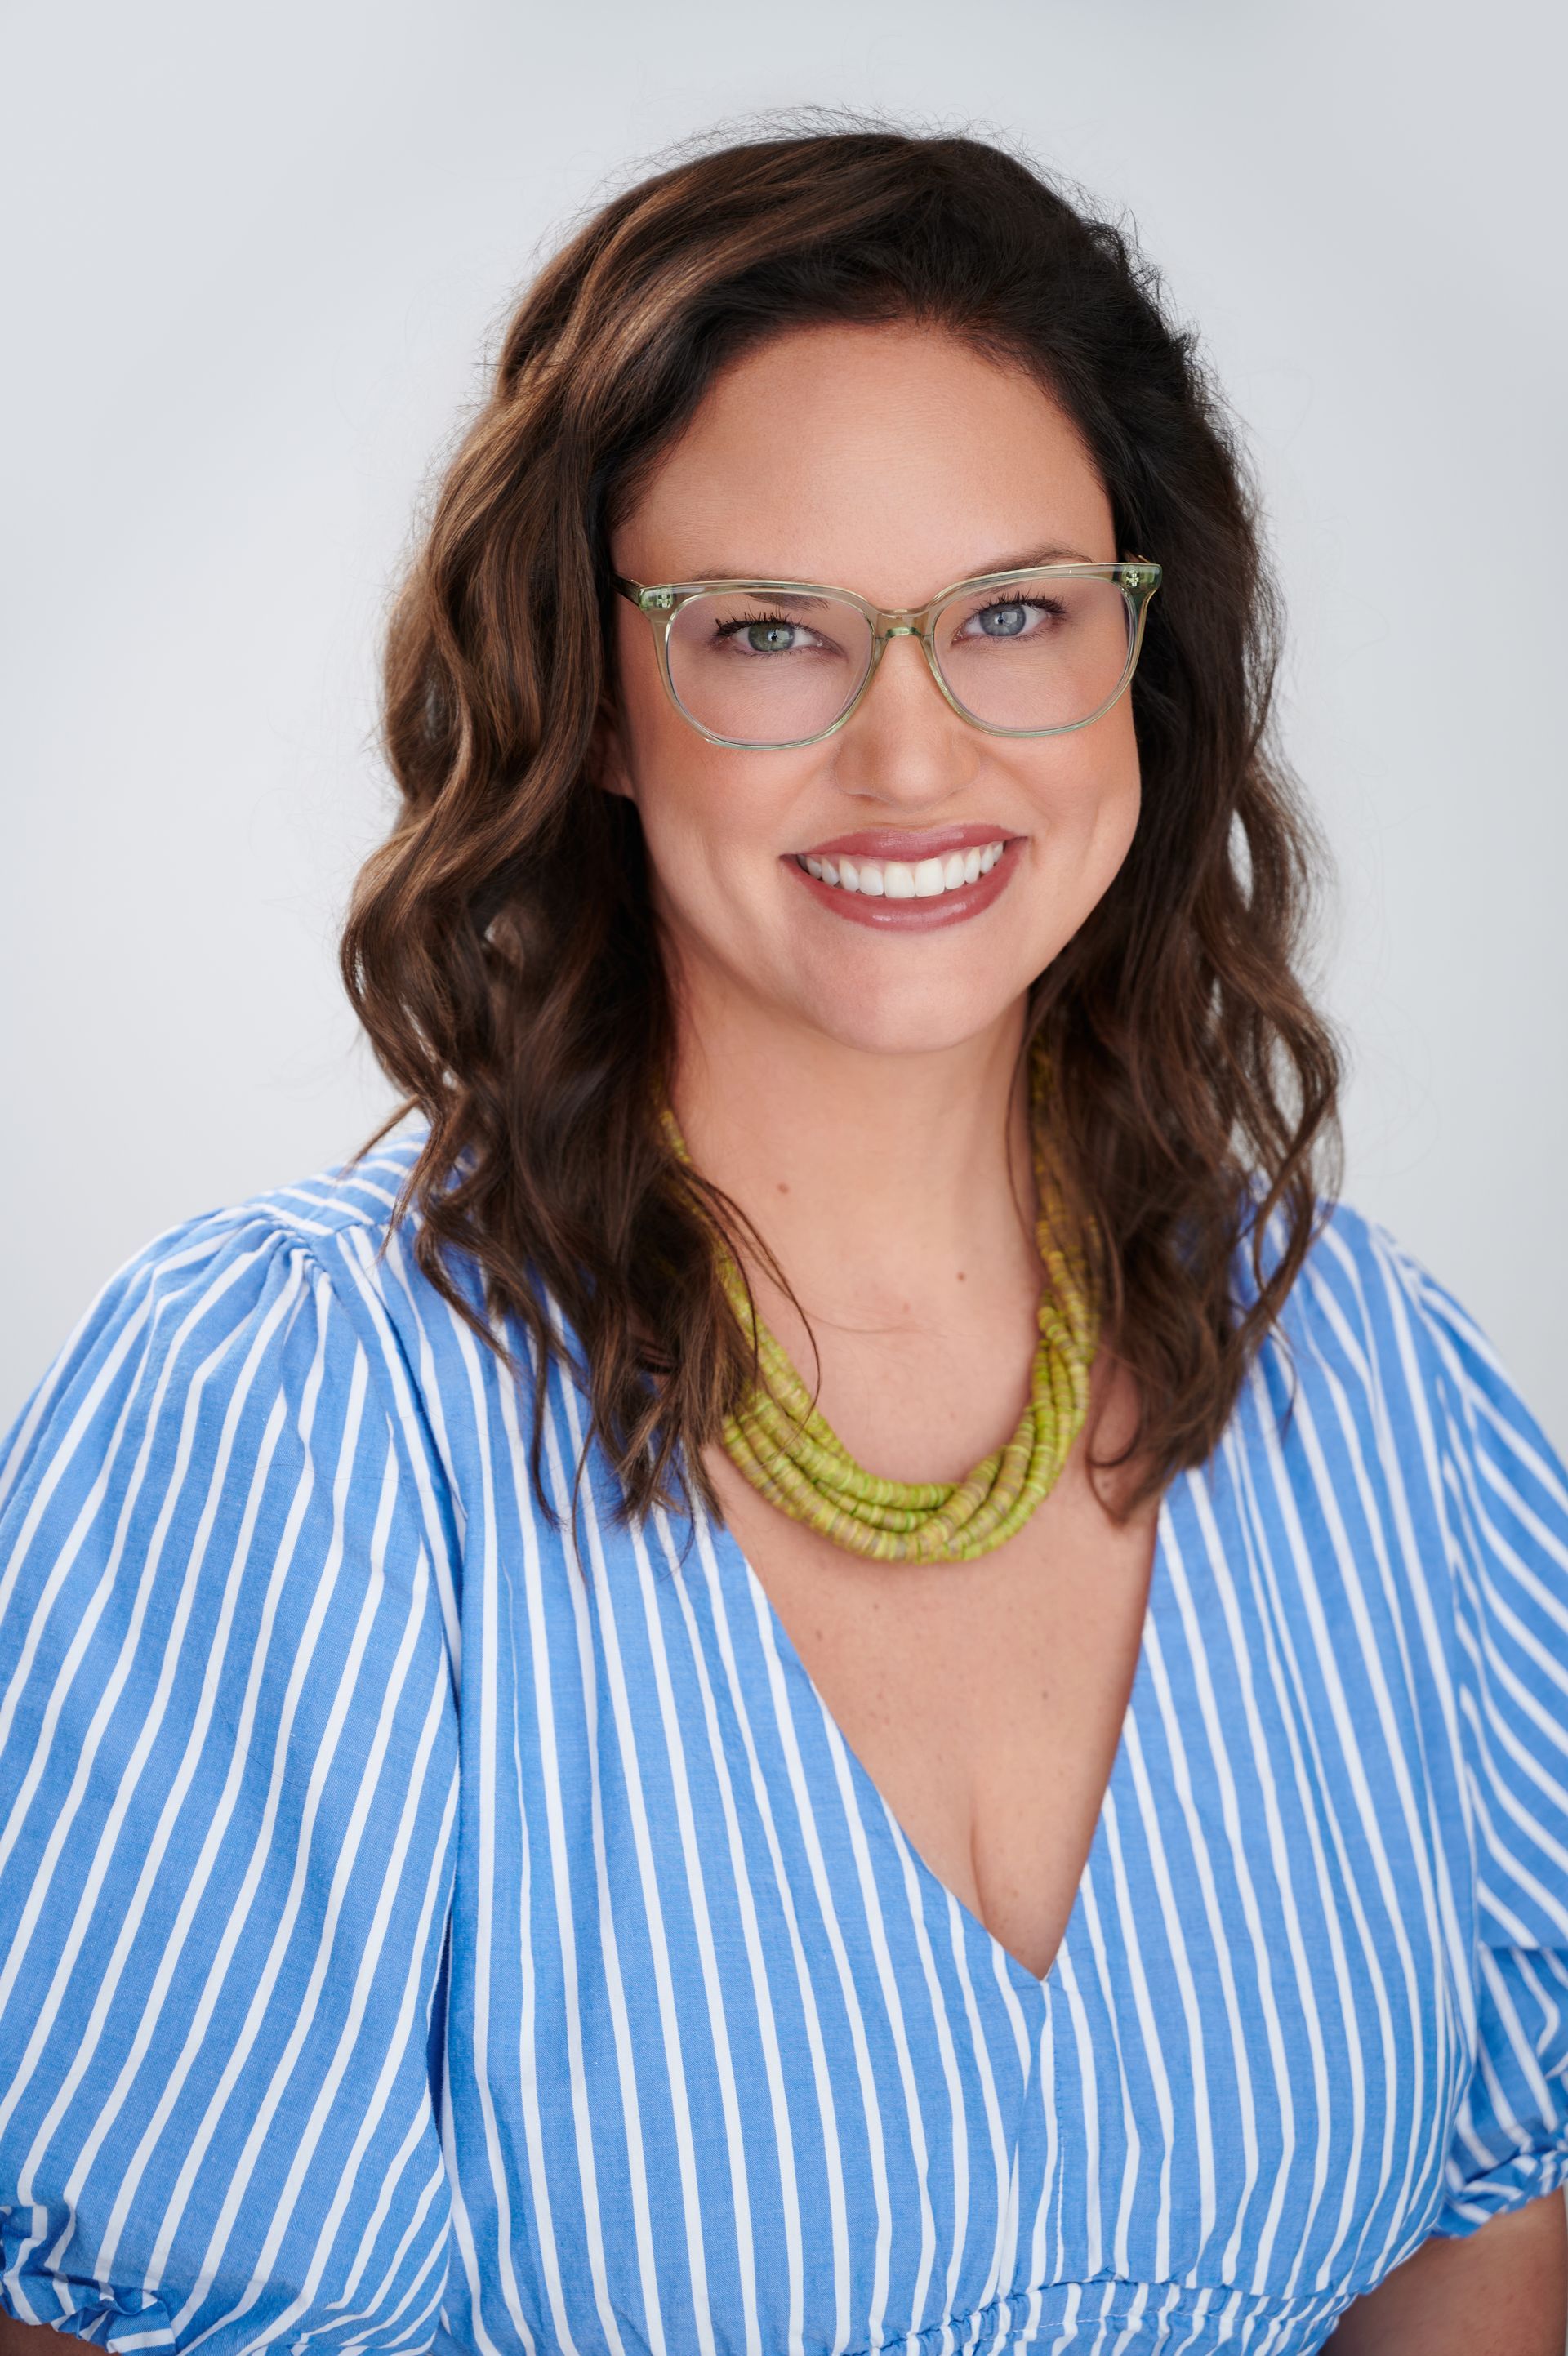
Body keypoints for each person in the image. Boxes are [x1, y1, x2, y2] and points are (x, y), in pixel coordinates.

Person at [2, 123, 1566, 2356]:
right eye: (765, 633)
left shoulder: (1381, 1392)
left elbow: (1484, 2239)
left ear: (1143, 658)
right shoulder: (288, 1427)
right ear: (589, 694)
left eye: (1014, 613)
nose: (913, 758)